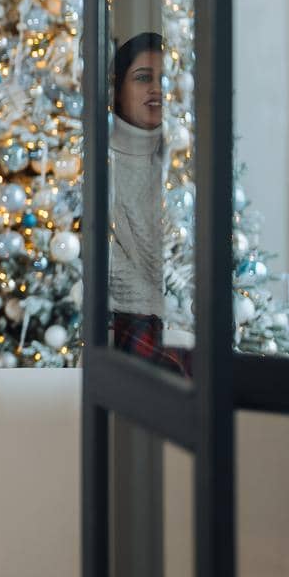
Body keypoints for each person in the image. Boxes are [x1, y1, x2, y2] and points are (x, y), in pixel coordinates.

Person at [108, 31, 191, 376]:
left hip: (187, 315)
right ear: (117, 89)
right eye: (143, 78)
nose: (156, 89)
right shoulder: (100, 163)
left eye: (164, 79)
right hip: (131, 317)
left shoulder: (183, 159)